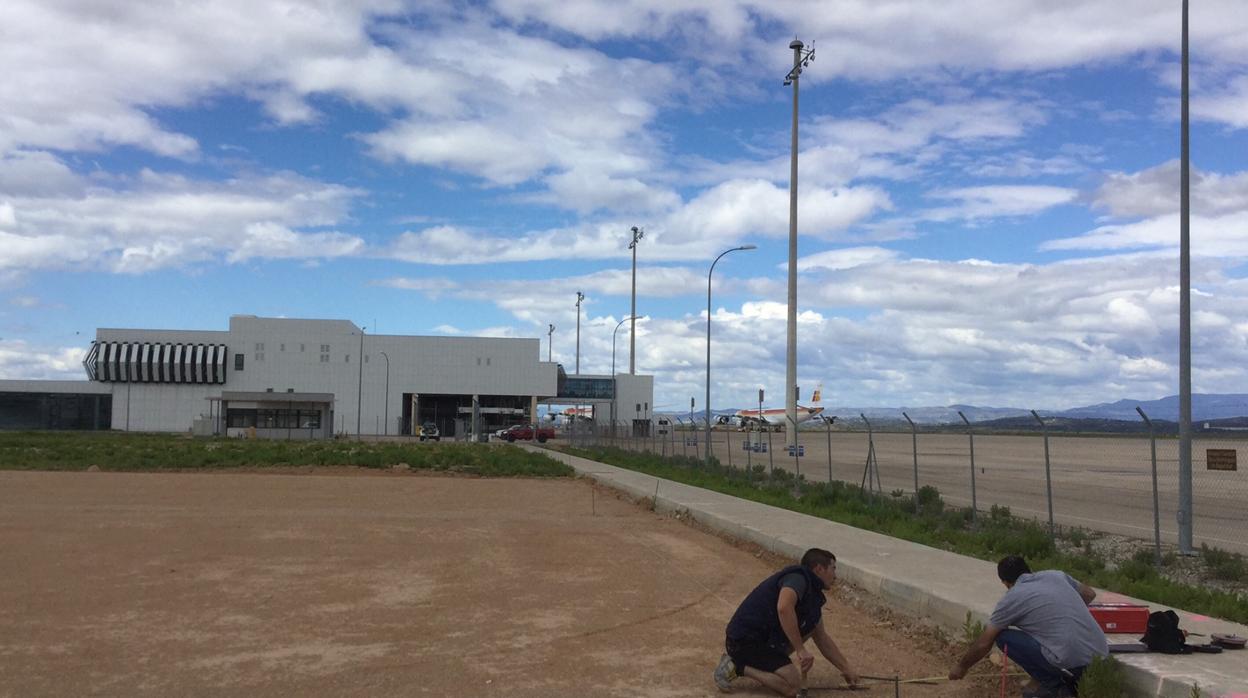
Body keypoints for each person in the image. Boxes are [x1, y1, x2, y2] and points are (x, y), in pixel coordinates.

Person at [949, 555, 1108, 698]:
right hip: (1101, 658)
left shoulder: (1011, 599)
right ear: (1028, 569)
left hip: (1073, 665)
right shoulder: (1056, 575)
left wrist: (962, 667)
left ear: (1005, 582)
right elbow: (1089, 594)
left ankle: (1055, 687)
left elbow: (984, 642)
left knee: (1003, 636)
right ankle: (1066, 681)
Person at [713, 548, 859, 697]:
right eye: (833, 569)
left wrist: (846, 668)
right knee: (793, 688)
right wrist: (800, 649)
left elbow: (822, 638)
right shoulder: (798, 579)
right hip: (744, 641)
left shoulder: (811, 593)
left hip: (762, 640)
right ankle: (739, 666)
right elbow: (784, 608)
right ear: (819, 569)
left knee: (812, 627)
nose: (835, 576)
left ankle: (763, 663)